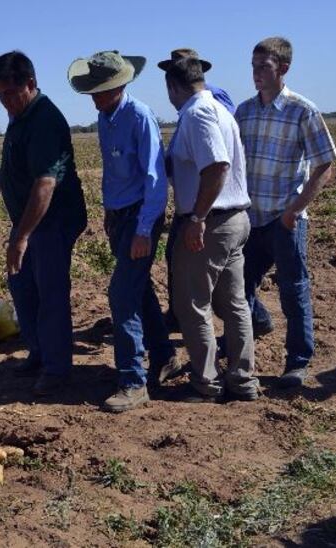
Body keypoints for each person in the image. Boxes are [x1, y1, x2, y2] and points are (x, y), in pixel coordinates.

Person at [0, 51, 87, 397]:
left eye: (10, 93)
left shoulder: (44, 120)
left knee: (50, 292)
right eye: (0, 94)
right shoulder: (19, 116)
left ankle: (57, 369)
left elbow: (45, 184)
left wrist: (21, 237)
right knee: (22, 285)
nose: (5, 101)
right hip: (29, 222)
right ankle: (39, 353)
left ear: (30, 84)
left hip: (53, 221)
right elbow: (12, 167)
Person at [67, 51, 175, 412]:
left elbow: (155, 179)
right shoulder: (104, 118)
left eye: (100, 91)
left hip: (140, 216)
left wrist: (144, 229)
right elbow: (114, 173)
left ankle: (133, 381)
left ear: (119, 86)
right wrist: (109, 214)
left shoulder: (139, 117)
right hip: (119, 217)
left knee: (122, 296)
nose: (94, 98)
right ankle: (165, 355)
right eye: (92, 91)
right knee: (138, 290)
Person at [235, 37, 336, 388]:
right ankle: (257, 326)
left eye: (263, 66)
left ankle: (297, 362)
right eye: (253, 66)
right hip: (251, 218)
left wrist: (295, 210)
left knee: (293, 292)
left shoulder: (302, 110)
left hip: (285, 219)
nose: (256, 73)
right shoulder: (244, 111)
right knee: (237, 287)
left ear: (283, 68)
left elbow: (325, 164)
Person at [164, 57, 259, 401]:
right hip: (235, 220)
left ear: (173, 87)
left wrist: (197, 218)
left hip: (212, 224)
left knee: (193, 305)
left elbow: (217, 166)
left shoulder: (196, 114)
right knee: (234, 304)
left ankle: (207, 383)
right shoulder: (220, 109)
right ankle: (243, 380)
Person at [157, 48, 236, 334]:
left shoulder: (204, 104)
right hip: (206, 207)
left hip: (210, 208)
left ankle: (204, 359)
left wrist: (197, 217)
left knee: (206, 287)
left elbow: (216, 160)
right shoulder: (190, 107)